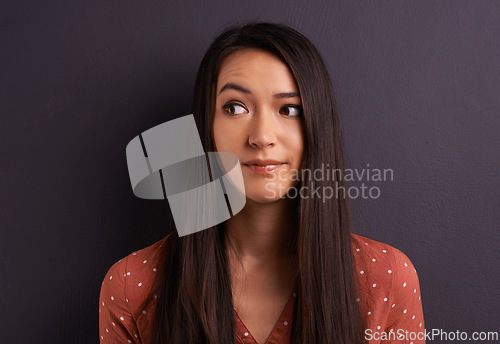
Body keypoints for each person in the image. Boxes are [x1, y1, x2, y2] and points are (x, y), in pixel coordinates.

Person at [99, 22, 425, 344]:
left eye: (289, 109)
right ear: (204, 128)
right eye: (235, 107)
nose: (262, 137)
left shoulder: (387, 279)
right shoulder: (132, 288)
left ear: (318, 128)